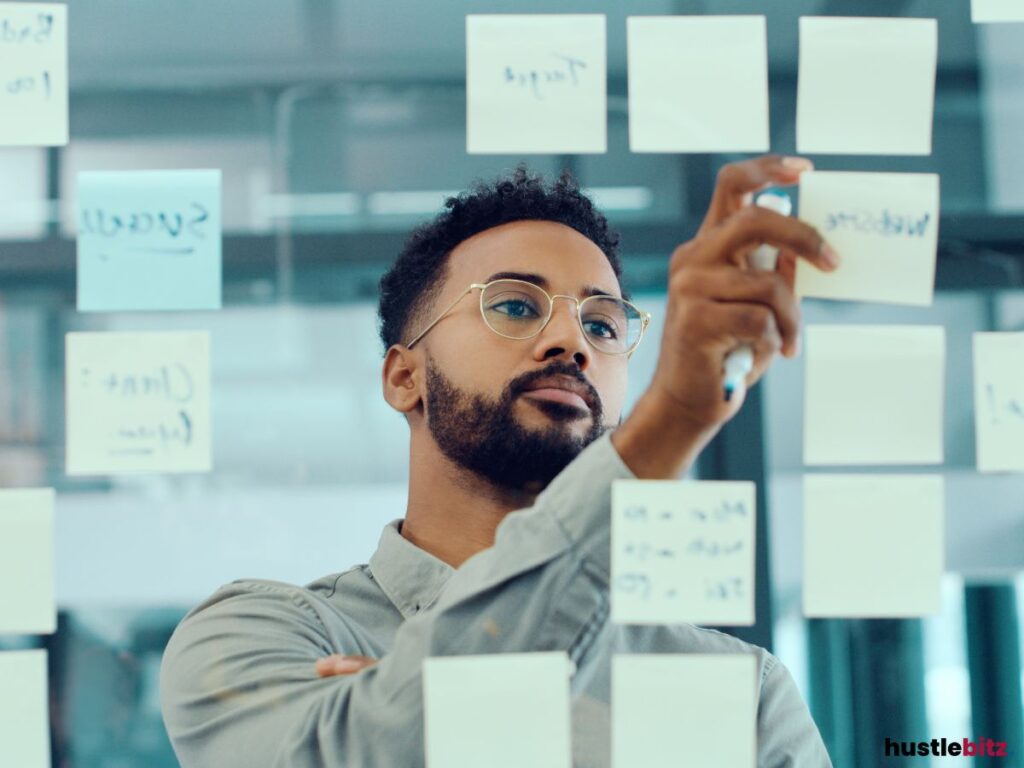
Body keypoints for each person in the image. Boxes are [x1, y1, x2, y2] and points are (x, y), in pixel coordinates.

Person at [160, 155, 839, 767]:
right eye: (515, 305)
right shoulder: (261, 634)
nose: (570, 340)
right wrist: (673, 422)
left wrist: (414, 714)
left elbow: (378, 748)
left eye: (602, 325)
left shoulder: (739, 691)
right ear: (404, 378)